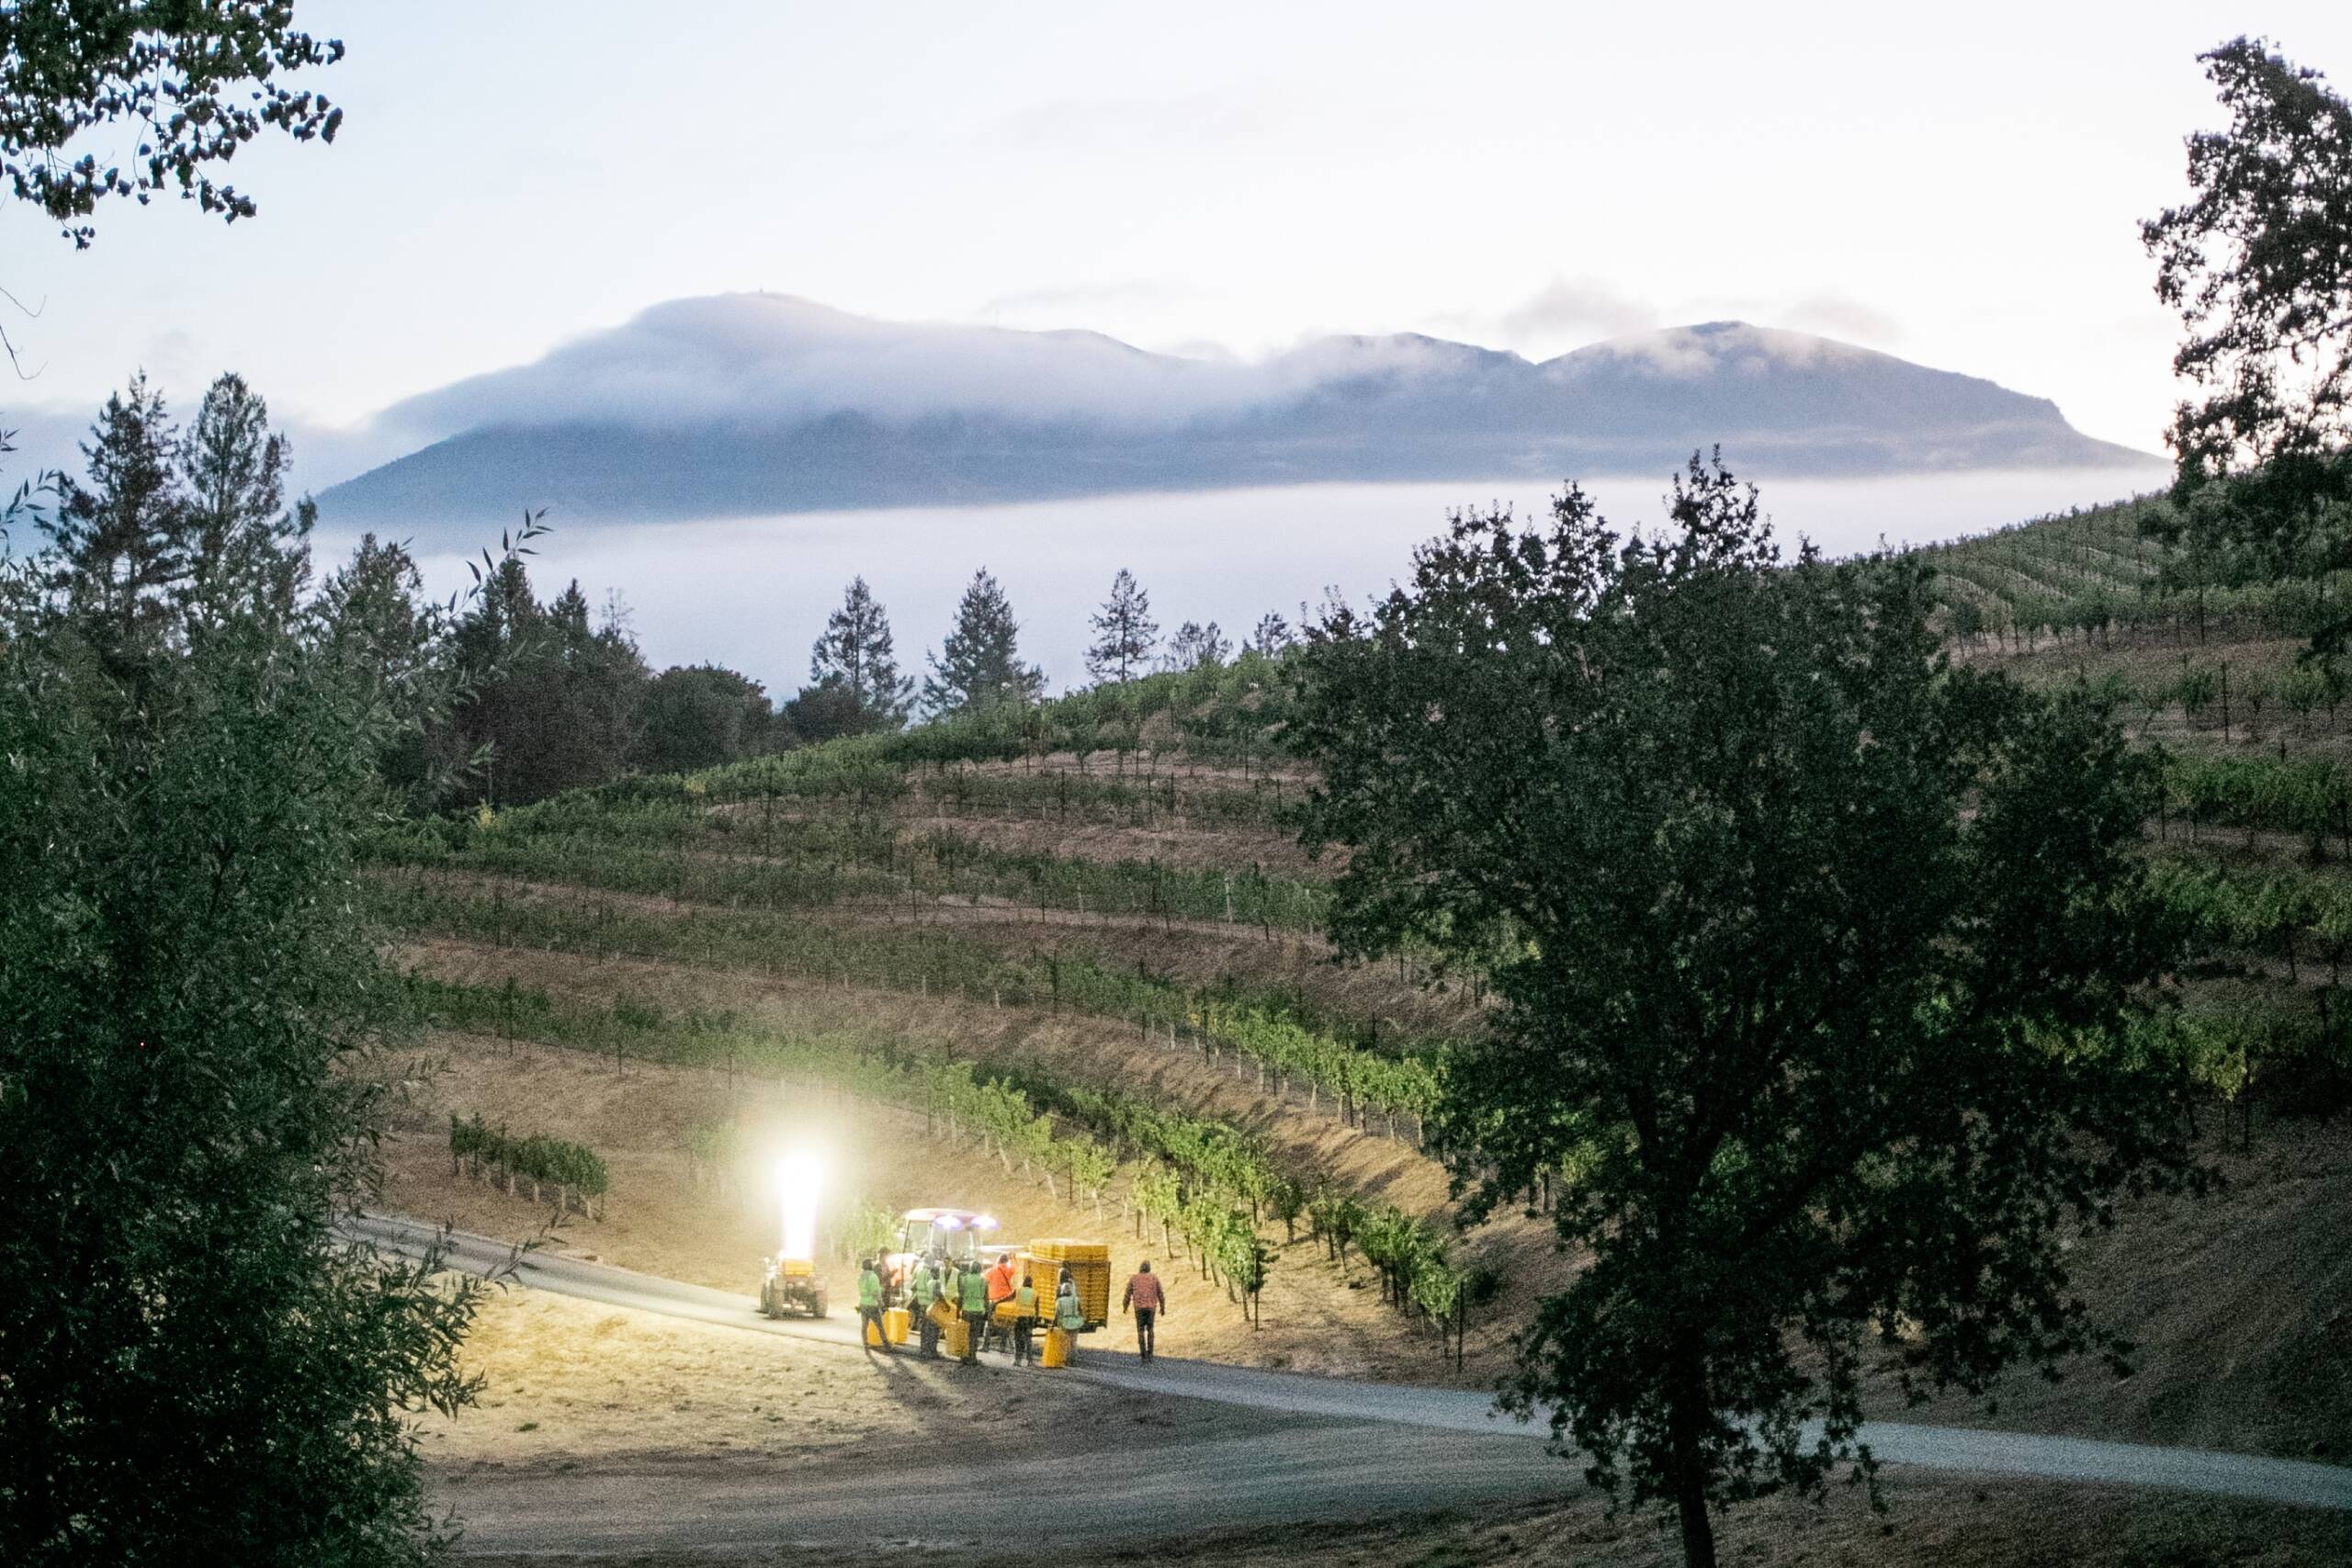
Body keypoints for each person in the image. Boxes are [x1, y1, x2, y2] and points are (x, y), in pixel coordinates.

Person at [1122, 1259, 1165, 1364]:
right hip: (1151, 1308)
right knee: (1150, 1329)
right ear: (1149, 1268)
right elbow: (1160, 1293)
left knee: (1140, 1331)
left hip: (1139, 1308)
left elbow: (1127, 1294)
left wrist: (1125, 1307)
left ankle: (1143, 1356)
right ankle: (1150, 1354)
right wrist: (1162, 1307)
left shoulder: (1134, 1278)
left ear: (1140, 1268)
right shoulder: (1154, 1278)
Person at [957, 1255, 989, 1365]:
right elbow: (986, 1297)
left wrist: (958, 1310)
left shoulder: (964, 1279)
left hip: (966, 1310)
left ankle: (964, 1356)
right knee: (974, 1335)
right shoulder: (983, 1280)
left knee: (965, 1334)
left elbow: (960, 1296)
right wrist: (986, 1310)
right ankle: (973, 1357)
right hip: (978, 1310)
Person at [982, 1251, 1017, 1351]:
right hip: (1006, 1301)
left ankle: (986, 1345)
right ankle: (1002, 1346)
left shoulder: (991, 1271)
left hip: (994, 1301)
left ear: (998, 1261)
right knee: (1005, 1324)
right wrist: (1013, 1258)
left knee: (989, 1324)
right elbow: (1014, 1267)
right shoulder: (1009, 1270)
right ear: (1006, 1262)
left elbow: (984, 1281)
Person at [856, 1256, 891, 1355]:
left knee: (864, 1326)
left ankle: (865, 1343)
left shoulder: (860, 1277)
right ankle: (887, 1345)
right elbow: (876, 1293)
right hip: (872, 1305)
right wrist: (882, 1304)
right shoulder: (873, 1277)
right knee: (880, 1326)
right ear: (870, 1266)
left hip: (863, 1304)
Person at [910, 1255, 941, 1359]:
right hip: (929, 1304)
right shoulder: (930, 1273)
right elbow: (932, 1289)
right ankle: (931, 1350)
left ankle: (923, 1349)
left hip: (921, 1302)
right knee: (932, 1328)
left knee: (924, 1327)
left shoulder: (919, 1271)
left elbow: (913, 1286)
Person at [1053, 1273, 1086, 1365]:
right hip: (1075, 1322)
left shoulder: (1059, 1301)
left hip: (1065, 1323)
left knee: (1065, 1342)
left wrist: (1053, 1324)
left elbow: (1057, 1314)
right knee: (1073, 1343)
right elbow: (1081, 1311)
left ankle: (1066, 1360)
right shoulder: (1076, 1299)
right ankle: (1074, 1361)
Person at [1010, 1271, 1039, 1366]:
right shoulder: (1035, 1293)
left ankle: (1017, 1360)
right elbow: (1037, 1309)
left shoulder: (1018, 1290)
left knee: (1018, 1339)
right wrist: (1036, 1320)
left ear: (1023, 1282)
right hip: (1029, 1318)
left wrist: (997, 1303)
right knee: (1028, 1339)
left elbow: (1008, 1298)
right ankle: (1030, 1361)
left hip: (1019, 1318)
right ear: (1031, 1283)